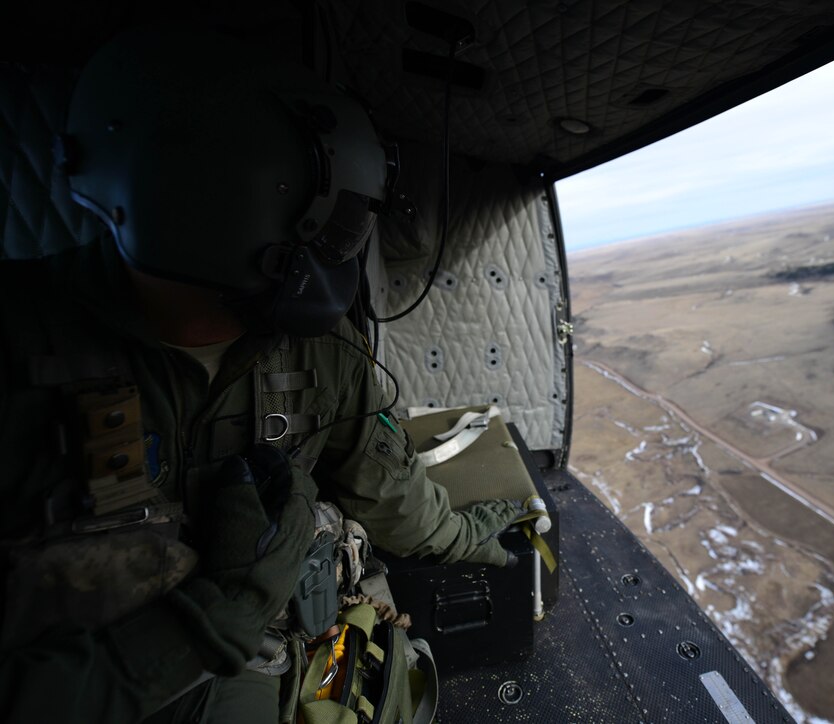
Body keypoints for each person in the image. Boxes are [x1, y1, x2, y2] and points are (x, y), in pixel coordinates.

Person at [0, 28, 522, 722]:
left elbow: (389, 488)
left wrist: (471, 539)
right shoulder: (19, 346)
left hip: (269, 657)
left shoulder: (318, 352)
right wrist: (214, 623)